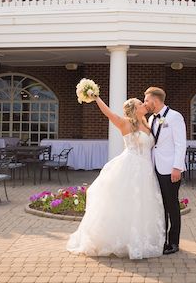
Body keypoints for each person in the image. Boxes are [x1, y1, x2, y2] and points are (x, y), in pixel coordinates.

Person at [66, 93, 165, 260]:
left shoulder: (148, 124)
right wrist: (96, 98)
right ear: (134, 109)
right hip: (130, 168)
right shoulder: (125, 123)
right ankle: (122, 241)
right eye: (141, 104)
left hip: (146, 171)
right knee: (126, 205)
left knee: (143, 206)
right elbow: (108, 113)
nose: (144, 105)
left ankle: (140, 240)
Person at [143, 87, 186, 255]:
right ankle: (162, 241)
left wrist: (177, 167)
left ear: (155, 100)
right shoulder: (152, 118)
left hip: (170, 169)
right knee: (160, 206)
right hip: (155, 167)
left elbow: (181, 143)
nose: (145, 103)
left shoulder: (175, 117)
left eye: (146, 100)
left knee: (172, 205)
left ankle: (174, 242)